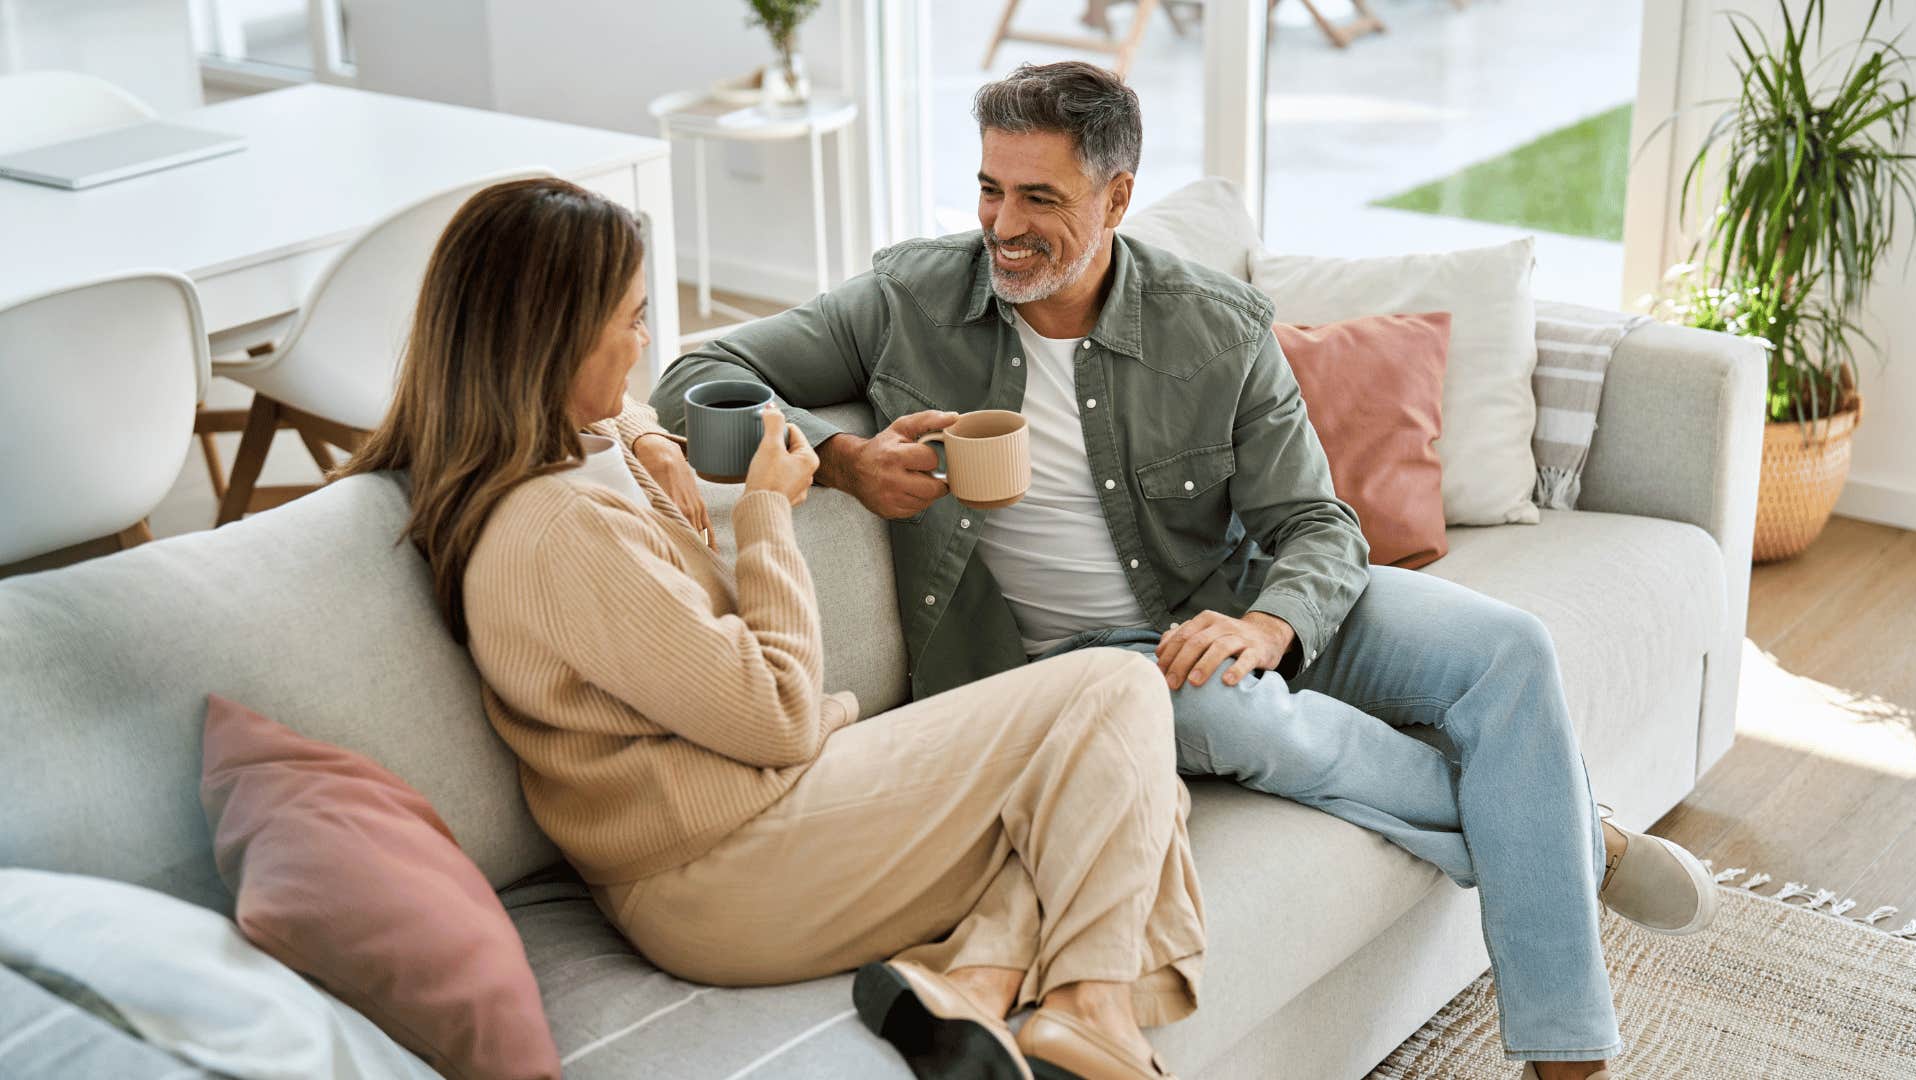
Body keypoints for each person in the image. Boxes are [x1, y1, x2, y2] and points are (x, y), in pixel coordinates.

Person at [650, 62, 1721, 1080]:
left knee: (1508, 649)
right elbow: (692, 375)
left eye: (1038, 197)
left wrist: (1270, 627)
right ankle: (1571, 836)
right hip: (1076, 677)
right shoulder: (908, 300)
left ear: (1117, 197)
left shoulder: (1212, 327)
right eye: (988, 189)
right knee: (1251, 719)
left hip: (1236, 598)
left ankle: (1567, 1047)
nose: (1003, 227)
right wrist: (842, 461)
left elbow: (1314, 523)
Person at [336, 177, 1207, 1080]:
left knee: (1121, 784)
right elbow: (783, 715)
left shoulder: (570, 441)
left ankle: (974, 993)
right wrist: (764, 514)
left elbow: (627, 413)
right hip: (716, 873)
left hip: (758, 821)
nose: (647, 344)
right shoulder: (554, 533)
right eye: (632, 320)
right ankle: (1089, 1004)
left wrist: (651, 441)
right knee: (1119, 690)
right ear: (549, 341)